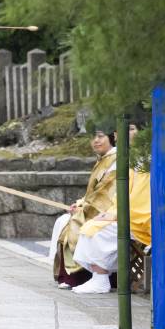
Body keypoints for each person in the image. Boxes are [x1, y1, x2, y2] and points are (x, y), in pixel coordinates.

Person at [72, 136, 151, 294]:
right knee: (85, 226)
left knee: (96, 231)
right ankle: (89, 277)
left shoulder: (145, 159)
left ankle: (100, 278)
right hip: (126, 211)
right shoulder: (127, 157)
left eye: (131, 129)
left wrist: (115, 214)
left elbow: (141, 196)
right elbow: (116, 193)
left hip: (144, 215)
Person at [49, 121, 119, 288]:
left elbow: (107, 194)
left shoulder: (116, 161)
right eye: (93, 137)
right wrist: (80, 204)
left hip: (106, 210)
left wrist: (84, 209)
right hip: (95, 206)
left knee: (74, 223)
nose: (96, 140)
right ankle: (69, 277)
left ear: (112, 137)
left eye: (101, 136)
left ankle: (80, 277)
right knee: (63, 221)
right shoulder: (104, 160)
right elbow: (94, 193)